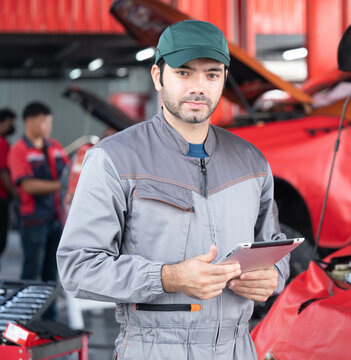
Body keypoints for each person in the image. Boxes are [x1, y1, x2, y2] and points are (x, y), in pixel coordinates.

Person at [57, 20, 289, 359]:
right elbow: (78, 269)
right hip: (155, 348)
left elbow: (274, 249)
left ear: (224, 79)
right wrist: (168, 277)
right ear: (157, 76)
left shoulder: (251, 162)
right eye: (184, 73)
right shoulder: (114, 159)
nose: (199, 87)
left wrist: (273, 277)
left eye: (211, 74)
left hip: (238, 348)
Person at [8, 102, 69, 286]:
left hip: (56, 218)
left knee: (52, 271)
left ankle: (49, 315)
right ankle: (30, 314)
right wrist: (60, 185)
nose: (48, 126)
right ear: (29, 122)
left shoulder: (55, 147)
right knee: (31, 271)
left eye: (49, 121)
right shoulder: (19, 150)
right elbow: (27, 185)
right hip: (34, 220)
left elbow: (70, 170)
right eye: (44, 122)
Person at [0, 108, 18, 261]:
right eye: (10, 123)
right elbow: (4, 173)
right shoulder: (1, 143)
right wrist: (16, 194)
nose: (12, 126)